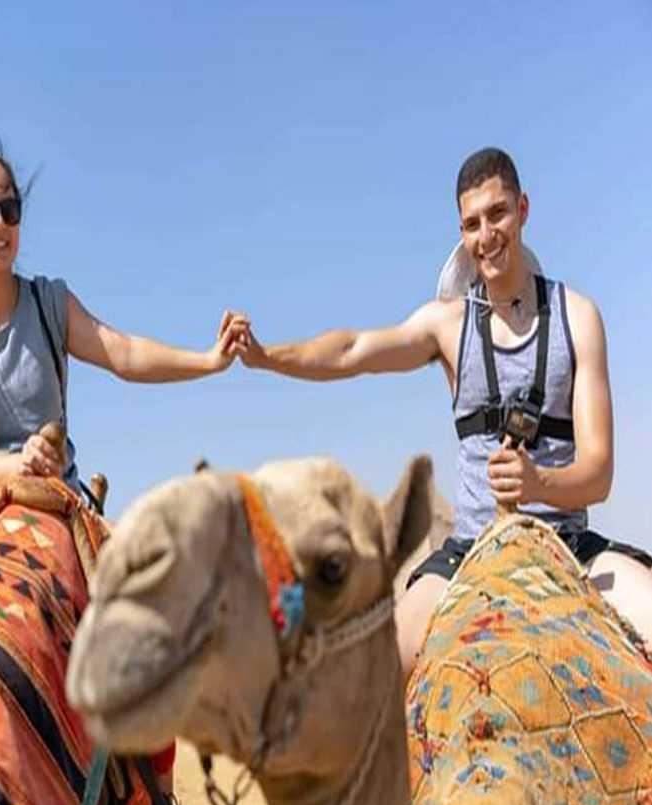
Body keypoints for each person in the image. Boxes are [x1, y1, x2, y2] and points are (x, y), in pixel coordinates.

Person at [226, 146, 652, 680]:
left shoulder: (578, 317)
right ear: (462, 232)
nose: (486, 235)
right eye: (472, 224)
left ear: (522, 209)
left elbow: (599, 475)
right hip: (470, 552)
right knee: (369, 674)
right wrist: (267, 356)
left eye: (497, 214)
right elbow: (352, 350)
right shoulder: (446, 326)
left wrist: (537, 483)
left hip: (568, 545)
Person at [0, 147, 235, 805]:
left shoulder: (47, 303)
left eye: (11, 208)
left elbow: (123, 351)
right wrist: (17, 467)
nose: (1, 223)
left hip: (64, 511)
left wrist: (206, 360)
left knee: (148, 628)